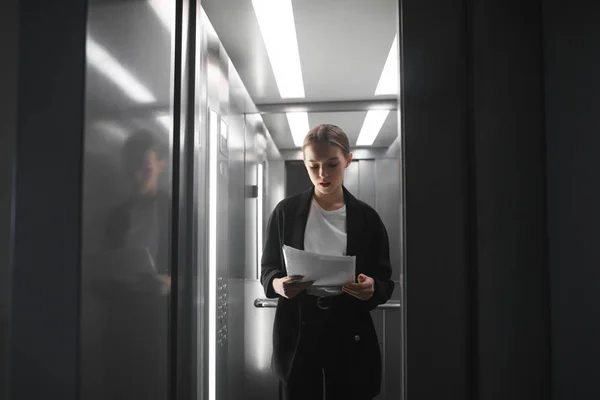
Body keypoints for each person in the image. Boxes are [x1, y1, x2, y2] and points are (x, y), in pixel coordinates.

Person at [260, 124, 395, 400]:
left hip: (347, 324)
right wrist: (277, 284)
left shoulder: (367, 219)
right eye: (313, 166)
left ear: (348, 160)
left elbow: (384, 281)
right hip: (298, 325)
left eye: (332, 164)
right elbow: (267, 269)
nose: (322, 174)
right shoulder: (285, 212)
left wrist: (372, 287)